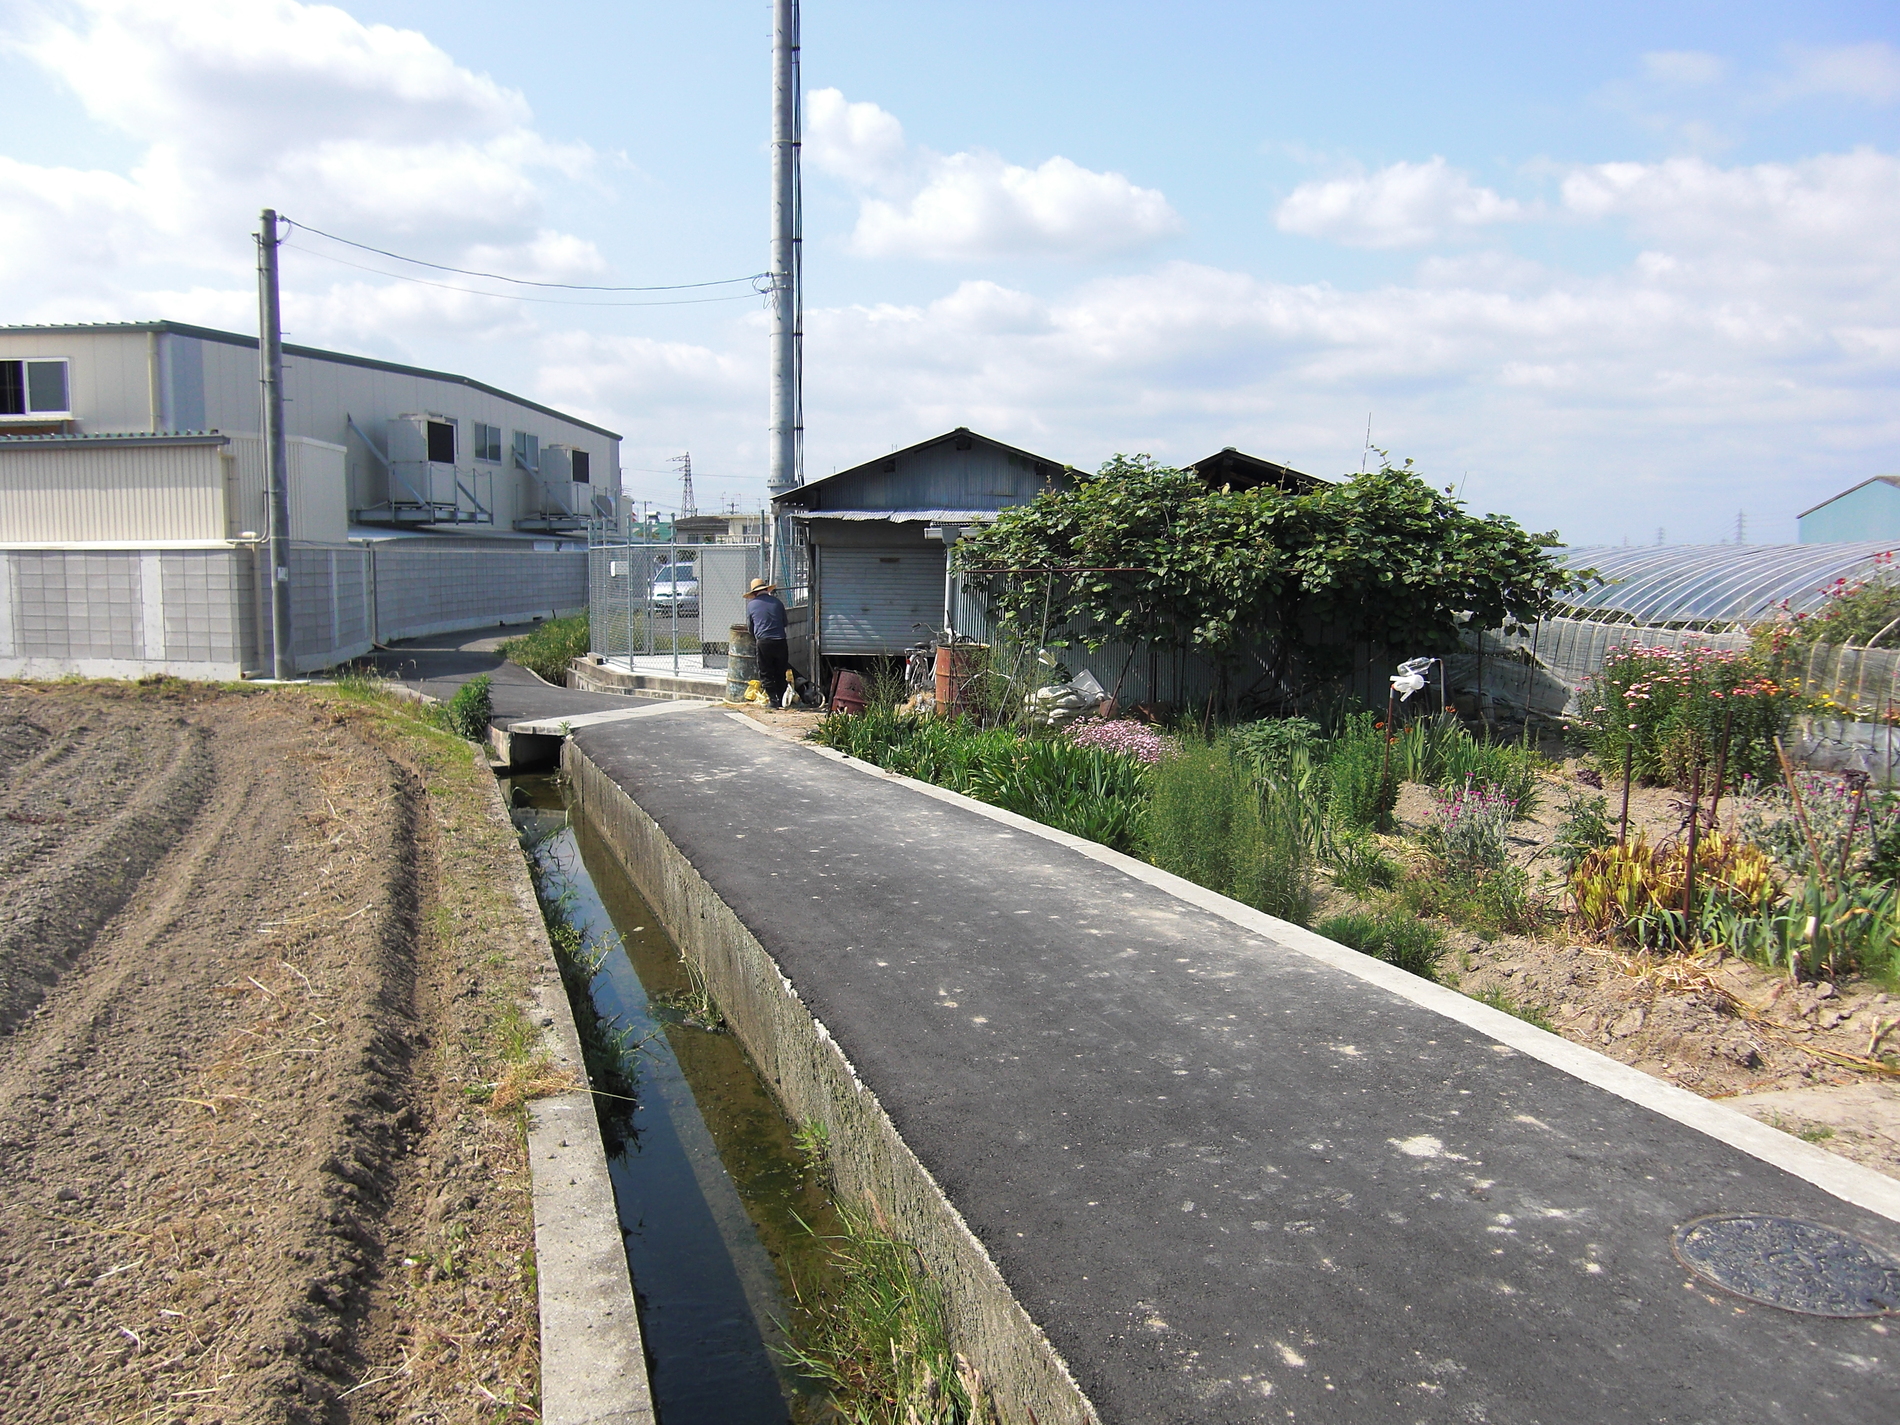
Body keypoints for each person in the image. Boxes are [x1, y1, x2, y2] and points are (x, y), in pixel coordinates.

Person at [744, 577, 791, 703]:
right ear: (766, 589)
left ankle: (773, 700)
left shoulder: (751, 605)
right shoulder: (777, 603)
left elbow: (750, 627)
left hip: (764, 641)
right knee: (780, 670)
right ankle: (781, 698)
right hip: (780, 640)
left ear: (754, 593)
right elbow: (785, 623)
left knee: (766, 671)